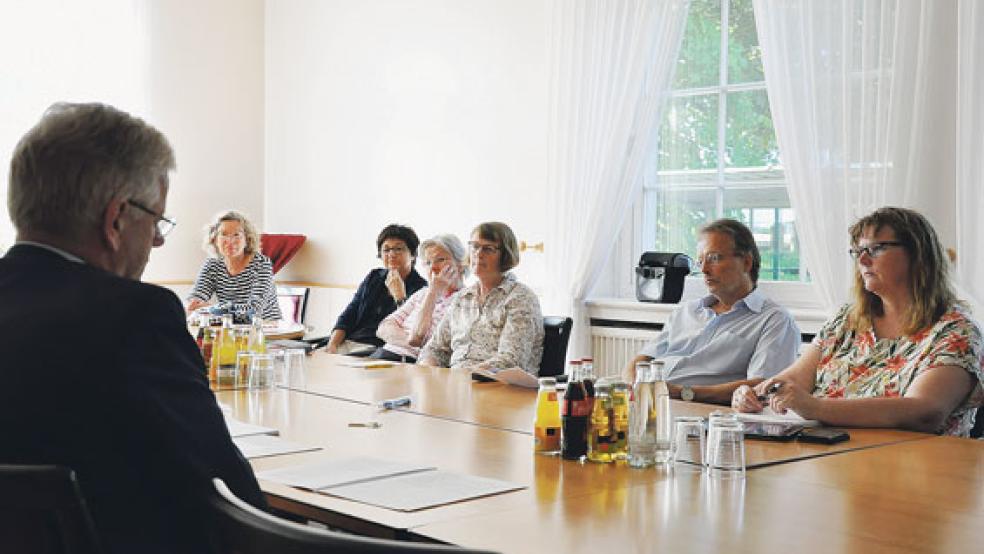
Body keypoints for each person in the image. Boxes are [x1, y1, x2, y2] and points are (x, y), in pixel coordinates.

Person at [0, 102, 264, 553]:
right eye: (157, 219)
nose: (159, 239)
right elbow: (231, 494)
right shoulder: (134, 317)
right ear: (116, 219)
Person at [733, 207, 984, 437]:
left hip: (916, 469)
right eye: (858, 252)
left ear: (917, 254)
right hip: (829, 460)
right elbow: (793, 381)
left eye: (875, 249)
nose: (862, 261)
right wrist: (754, 395)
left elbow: (925, 411)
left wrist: (817, 407)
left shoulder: (956, 330)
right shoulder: (847, 320)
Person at [624, 219, 801, 404]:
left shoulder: (774, 320)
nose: (704, 270)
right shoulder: (687, 311)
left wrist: (682, 393)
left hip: (700, 411)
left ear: (747, 262)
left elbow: (763, 387)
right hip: (650, 403)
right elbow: (640, 361)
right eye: (701, 261)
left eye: (714, 258)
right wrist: (631, 386)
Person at [419, 222, 544, 375]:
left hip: (500, 387)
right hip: (459, 384)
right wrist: (428, 371)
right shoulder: (462, 298)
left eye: (488, 249)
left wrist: (461, 377)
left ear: (505, 255)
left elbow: (510, 360)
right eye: (474, 246)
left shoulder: (521, 298)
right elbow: (434, 348)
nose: (478, 253)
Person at [325, 224, 427, 355]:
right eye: (386, 250)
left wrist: (400, 297)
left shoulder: (421, 289)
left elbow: (411, 334)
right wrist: (332, 345)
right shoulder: (374, 277)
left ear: (413, 255)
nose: (392, 254)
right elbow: (349, 315)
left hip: (381, 351)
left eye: (398, 249)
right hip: (350, 342)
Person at [371, 234, 469, 363]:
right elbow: (383, 328)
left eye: (440, 259)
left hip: (410, 362)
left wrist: (433, 293)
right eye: (428, 263)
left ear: (460, 263)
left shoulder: (466, 300)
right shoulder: (421, 293)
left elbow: (422, 337)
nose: (433, 268)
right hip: (383, 354)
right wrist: (410, 341)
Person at [186, 210, 282, 321]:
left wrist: (212, 309)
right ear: (215, 239)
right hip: (231, 330)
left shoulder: (261, 263)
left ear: (247, 239)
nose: (230, 241)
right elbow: (196, 298)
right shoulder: (212, 264)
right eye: (223, 234)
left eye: (236, 235)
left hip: (268, 330)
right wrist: (195, 304)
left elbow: (255, 310)